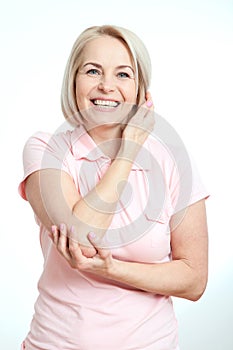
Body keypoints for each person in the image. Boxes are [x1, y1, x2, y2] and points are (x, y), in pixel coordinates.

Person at [19, 25, 209, 350]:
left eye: (123, 75)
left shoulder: (172, 160)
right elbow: (82, 238)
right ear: (73, 81)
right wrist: (129, 152)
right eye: (93, 71)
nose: (107, 86)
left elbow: (193, 280)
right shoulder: (46, 149)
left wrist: (113, 268)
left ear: (141, 91)